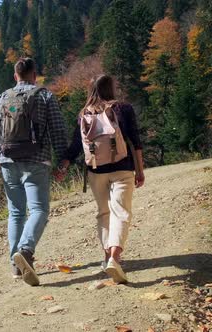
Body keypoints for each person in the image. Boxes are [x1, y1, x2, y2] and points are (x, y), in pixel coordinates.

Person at [0, 58, 68, 286]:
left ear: (15, 75)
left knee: (16, 213)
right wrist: (63, 162)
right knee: (39, 210)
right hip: (37, 160)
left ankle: (15, 265)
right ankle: (26, 251)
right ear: (34, 74)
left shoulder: (0, 99)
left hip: (7, 161)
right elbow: (58, 130)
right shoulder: (45, 95)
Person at [59, 74, 145, 284]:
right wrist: (140, 170)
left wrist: (64, 165)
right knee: (121, 212)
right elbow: (135, 140)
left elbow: (76, 145)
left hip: (96, 171)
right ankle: (115, 257)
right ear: (111, 88)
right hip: (122, 168)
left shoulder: (83, 114)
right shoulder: (123, 108)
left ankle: (107, 255)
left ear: (91, 91)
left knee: (103, 213)